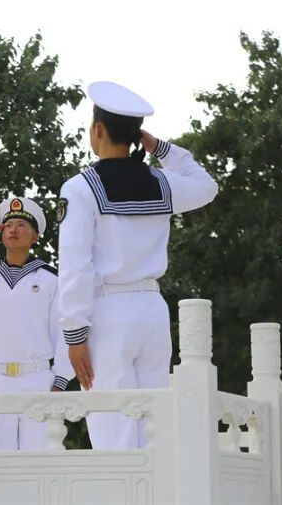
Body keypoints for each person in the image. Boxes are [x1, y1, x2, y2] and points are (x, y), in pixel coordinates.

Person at [56, 82, 218, 449]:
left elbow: (75, 266)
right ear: (136, 134)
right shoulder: (162, 181)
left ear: (97, 129)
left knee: (112, 428)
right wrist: (160, 148)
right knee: (154, 427)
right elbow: (207, 186)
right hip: (152, 311)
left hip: (108, 312)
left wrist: (74, 333)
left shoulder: (80, 188)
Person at [0, 196, 75, 451]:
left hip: (39, 378)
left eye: (21, 225)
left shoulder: (51, 279)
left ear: (35, 236)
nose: (13, 230)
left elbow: (64, 330)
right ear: (0, 233)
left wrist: (61, 379)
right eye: (8, 226)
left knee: (38, 464)